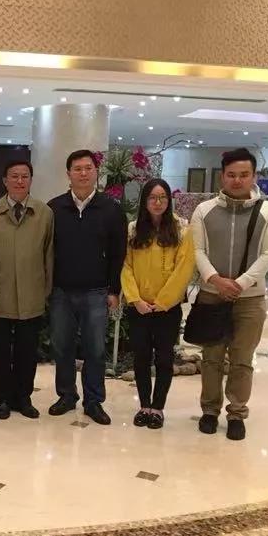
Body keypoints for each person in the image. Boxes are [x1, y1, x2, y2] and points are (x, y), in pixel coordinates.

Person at [190, 148, 268, 440]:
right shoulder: (204, 210)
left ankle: (236, 413)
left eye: (244, 174)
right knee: (211, 357)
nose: (237, 180)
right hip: (211, 295)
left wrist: (240, 283)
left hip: (250, 300)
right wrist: (216, 280)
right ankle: (209, 410)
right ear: (222, 176)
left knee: (242, 359)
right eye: (231, 174)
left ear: (254, 176)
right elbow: (198, 250)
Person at [47, 149, 127, 425]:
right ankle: (67, 395)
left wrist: (114, 290)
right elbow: (47, 251)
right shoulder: (55, 208)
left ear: (96, 172)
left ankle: (94, 401)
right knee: (62, 348)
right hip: (61, 291)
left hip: (97, 292)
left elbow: (118, 253)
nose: (83, 173)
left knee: (95, 350)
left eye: (88, 168)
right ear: (68, 174)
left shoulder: (111, 209)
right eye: (77, 169)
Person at [121, 178, 195, 429]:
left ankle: (158, 408)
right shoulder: (133, 230)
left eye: (162, 197)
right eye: (152, 197)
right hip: (139, 307)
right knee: (141, 357)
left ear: (168, 200)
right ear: (145, 201)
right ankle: (144, 405)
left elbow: (184, 268)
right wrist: (135, 299)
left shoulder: (181, 229)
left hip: (167, 309)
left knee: (164, 359)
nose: (158, 202)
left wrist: (164, 301)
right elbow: (126, 266)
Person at [0, 160, 53, 420]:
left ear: (31, 180)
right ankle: (1, 398)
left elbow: (49, 255)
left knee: (27, 351)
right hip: (0, 295)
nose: (20, 181)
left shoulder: (44, 213)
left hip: (32, 294)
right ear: (5, 181)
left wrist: (45, 291)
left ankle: (23, 397)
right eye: (14, 176)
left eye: (25, 176)